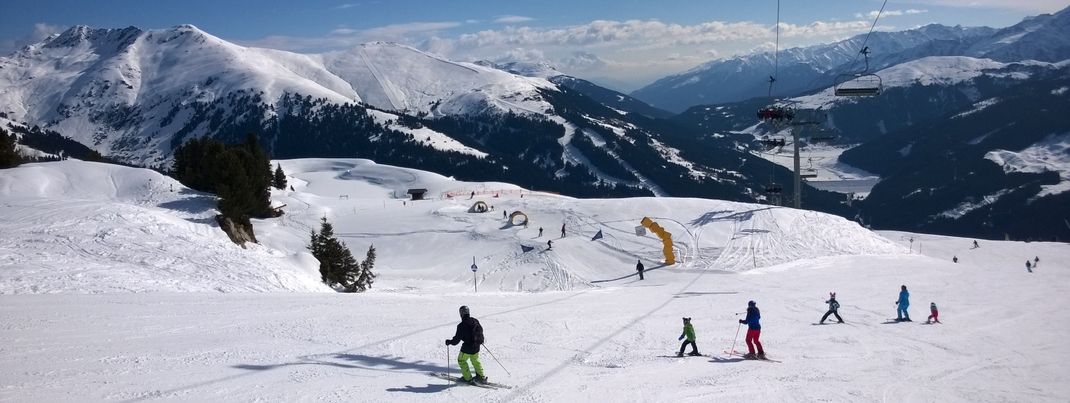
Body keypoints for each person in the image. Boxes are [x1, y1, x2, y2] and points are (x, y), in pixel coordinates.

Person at [445, 306, 487, 385]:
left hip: (467, 348)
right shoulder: (475, 320)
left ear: (461, 314)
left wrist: (449, 342)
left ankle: (468, 378)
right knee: (475, 360)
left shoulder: (461, 325)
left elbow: (456, 341)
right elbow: (480, 330)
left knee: (461, 360)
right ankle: (481, 377)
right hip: (477, 346)